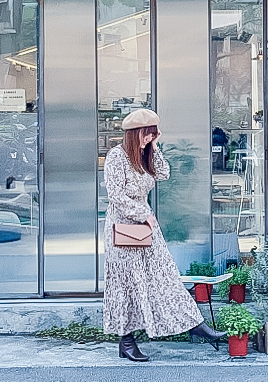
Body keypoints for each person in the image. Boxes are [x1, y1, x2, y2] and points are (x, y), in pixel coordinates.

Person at [103, 108, 226, 362]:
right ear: (134, 133)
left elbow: (164, 173)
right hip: (124, 227)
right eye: (146, 135)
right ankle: (126, 341)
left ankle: (196, 325)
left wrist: (154, 147)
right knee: (126, 284)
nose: (149, 139)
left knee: (165, 275)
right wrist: (143, 213)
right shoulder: (116, 157)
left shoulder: (144, 155)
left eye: (153, 135)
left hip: (147, 225)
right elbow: (115, 195)